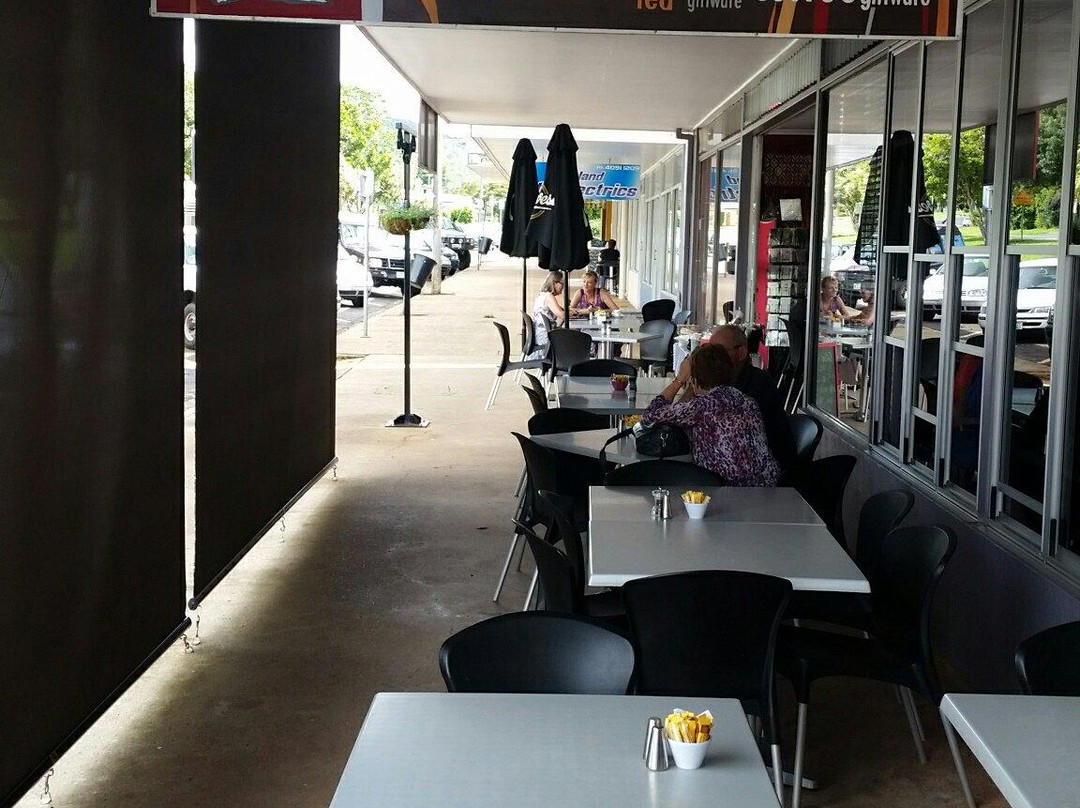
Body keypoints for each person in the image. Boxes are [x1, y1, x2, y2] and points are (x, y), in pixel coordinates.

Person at [642, 344, 780, 486]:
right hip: (766, 487)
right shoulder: (747, 402)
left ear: (694, 378)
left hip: (725, 488)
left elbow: (650, 416)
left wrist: (679, 380)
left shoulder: (702, 407)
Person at [696, 324, 798, 472]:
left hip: (765, 472)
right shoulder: (724, 383)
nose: (712, 358)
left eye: (719, 352)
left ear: (741, 353)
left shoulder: (756, 384)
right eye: (710, 351)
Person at [528, 271, 565, 360]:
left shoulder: (542, 295)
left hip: (540, 334)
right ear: (554, 283)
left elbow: (561, 310)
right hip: (545, 338)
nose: (563, 286)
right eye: (562, 283)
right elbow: (561, 314)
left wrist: (577, 311)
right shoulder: (548, 297)